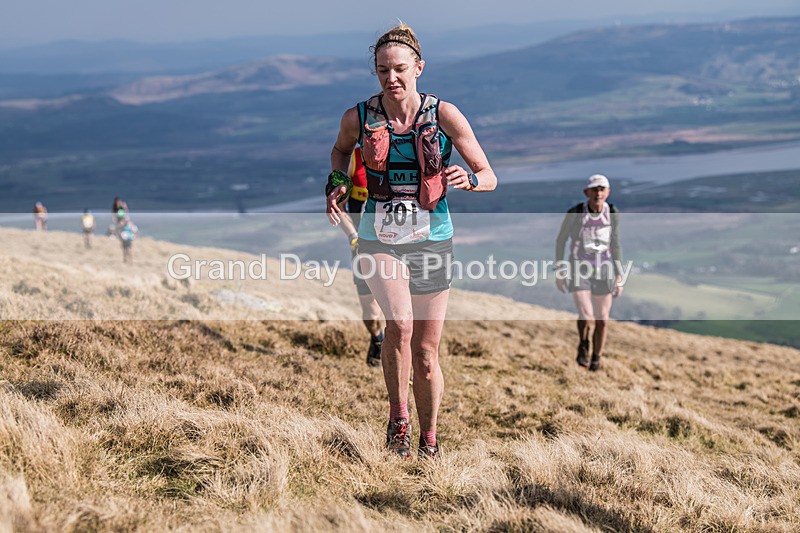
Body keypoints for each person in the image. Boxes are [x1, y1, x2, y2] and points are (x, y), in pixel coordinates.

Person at [326, 24, 497, 459]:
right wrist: (338, 181)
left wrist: (471, 179)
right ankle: (398, 421)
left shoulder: (444, 115)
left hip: (433, 239)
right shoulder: (358, 117)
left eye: (400, 69)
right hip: (378, 236)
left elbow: (490, 174)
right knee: (398, 325)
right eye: (382, 70)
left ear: (419, 68)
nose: (391, 78)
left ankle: (430, 439)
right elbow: (340, 151)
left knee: (425, 353)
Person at [555, 174, 624, 372]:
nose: (598, 193)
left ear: (608, 192)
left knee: (602, 319)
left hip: (604, 270)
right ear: (587, 192)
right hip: (579, 268)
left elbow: (615, 243)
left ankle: (596, 359)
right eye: (594, 190)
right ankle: (584, 343)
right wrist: (560, 271)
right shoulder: (575, 213)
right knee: (586, 314)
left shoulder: (612, 212)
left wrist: (619, 276)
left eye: (602, 189)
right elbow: (561, 241)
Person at [335, 147, 385, 367]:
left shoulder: (401, 152)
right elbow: (339, 206)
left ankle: (401, 360)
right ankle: (378, 339)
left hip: (395, 246)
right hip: (361, 247)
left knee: (400, 312)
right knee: (371, 314)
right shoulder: (353, 160)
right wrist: (353, 236)